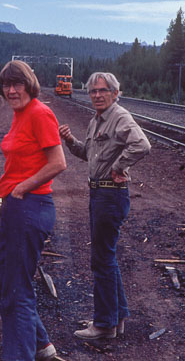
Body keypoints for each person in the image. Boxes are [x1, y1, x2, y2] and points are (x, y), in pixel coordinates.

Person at [0, 60, 67, 361]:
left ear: (28, 84)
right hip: (17, 205)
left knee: (15, 282)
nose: (11, 90)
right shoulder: (20, 115)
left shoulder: (39, 113)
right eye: (6, 85)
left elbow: (58, 162)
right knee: (2, 277)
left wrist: (21, 187)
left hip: (29, 206)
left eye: (16, 84)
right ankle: (40, 344)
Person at [59, 72, 150, 340]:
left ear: (114, 93)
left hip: (110, 195)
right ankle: (116, 317)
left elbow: (142, 145)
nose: (97, 95)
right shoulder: (96, 121)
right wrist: (70, 141)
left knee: (102, 259)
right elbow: (89, 155)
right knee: (106, 257)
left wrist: (120, 166)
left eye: (102, 90)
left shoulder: (119, 116)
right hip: (100, 194)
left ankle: (104, 324)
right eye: (92, 91)